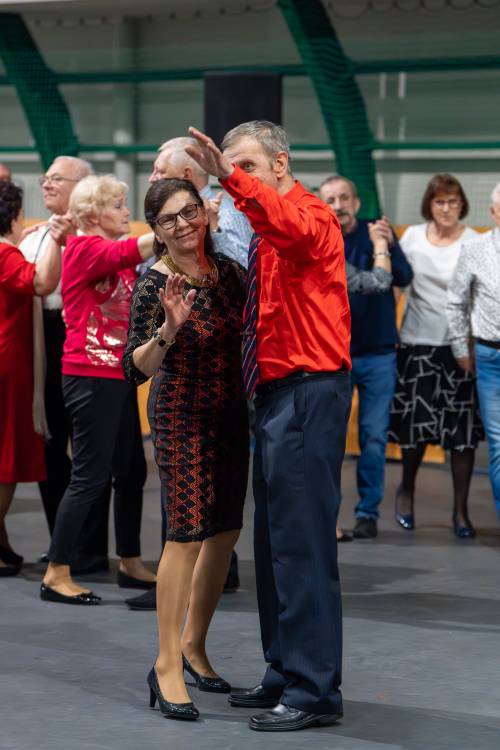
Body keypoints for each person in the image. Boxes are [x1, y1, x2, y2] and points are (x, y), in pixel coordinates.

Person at [187, 121, 351, 732]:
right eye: (233, 170)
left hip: (308, 391)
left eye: (249, 168)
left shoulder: (309, 215)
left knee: (302, 545)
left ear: (281, 163)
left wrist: (229, 180)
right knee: (275, 542)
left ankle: (314, 690)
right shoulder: (261, 228)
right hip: (277, 394)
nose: (239, 181)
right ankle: (284, 671)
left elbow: (288, 227)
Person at [123, 178, 249, 721]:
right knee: (186, 536)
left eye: (189, 212)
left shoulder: (230, 275)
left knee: (224, 532)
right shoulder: (154, 284)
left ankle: (195, 645)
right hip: (181, 415)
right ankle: (166, 663)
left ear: (204, 213)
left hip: (231, 415)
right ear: (155, 230)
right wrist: (169, 331)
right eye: (170, 219)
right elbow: (135, 367)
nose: (183, 224)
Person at [40, 175, 156, 605]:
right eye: (118, 206)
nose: (126, 212)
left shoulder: (113, 255)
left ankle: (129, 560)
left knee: (130, 471)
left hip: (118, 374)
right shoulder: (87, 247)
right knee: (89, 476)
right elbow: (129, 249)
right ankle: (56, 571)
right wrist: (168, 227)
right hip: (90, 375)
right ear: (92, 214)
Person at [319, 176, 413, 540]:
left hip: (377, 355)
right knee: (330, 439)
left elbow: (403, 276)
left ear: (356, 203)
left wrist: (386, 245)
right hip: (332, 356)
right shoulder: (319, 239)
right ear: (322, 204)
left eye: (344, 198)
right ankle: (329, 516)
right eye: (330, 199)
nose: (338, 205)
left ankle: (367, 512)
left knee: (374, 437)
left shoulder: (377, 233)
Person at [389, 173, 482, 538]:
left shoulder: (477, 241)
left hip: (461, 348)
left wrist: (474, 342)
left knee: (461, 434)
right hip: (416, 343)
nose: (447, 208)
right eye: (440, 201)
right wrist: (390, 333)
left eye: (454, 202)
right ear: (429, 204)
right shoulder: (411, 236)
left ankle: (460, 511)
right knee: (415, 430)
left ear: (463, 205)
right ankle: (406, 490)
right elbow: (398, 286)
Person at [20, 156, 96, 562]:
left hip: (80, 340)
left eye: (56, 178)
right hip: (42, 341)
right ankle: (62, 544)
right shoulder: (33, 236)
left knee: (87, 450)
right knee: (49, 444)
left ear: (81, 186)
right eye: (45, 178)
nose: (46, 184)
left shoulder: (92, 234)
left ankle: (88, 547)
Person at [0, 181, 62, 575]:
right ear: (15, 215)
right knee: (5, 459)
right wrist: (55, 238)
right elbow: (41, 282)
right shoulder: (5, 255)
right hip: (8, 362)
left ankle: (2, 542)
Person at [447, 181, 500, 523]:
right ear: (495, 212)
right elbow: (456, 299)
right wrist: (459, 345)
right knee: (498, 444)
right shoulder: (476, 249)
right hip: (490, 356)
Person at [148, 137, 252, 268]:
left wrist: (214, 231)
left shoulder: (226, 215)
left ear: (186, 175)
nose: (151, 178)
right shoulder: (161, 213)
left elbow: (245, 272)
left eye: (160, 171)